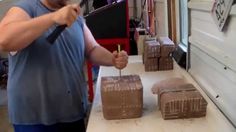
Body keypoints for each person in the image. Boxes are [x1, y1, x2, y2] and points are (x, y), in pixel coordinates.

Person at [0, 0, 128, 132]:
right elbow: (4, 39)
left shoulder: (73, 16)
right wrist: (53, 18)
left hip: (72, 115)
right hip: (34, 121)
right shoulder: (27, 8)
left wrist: (112, 59)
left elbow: (92, 49)